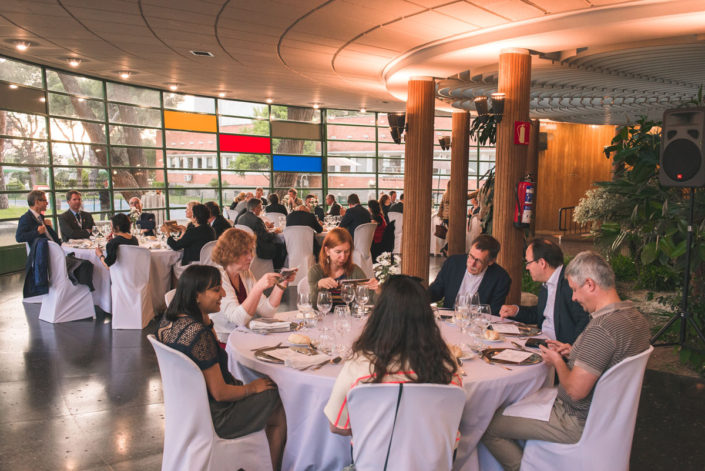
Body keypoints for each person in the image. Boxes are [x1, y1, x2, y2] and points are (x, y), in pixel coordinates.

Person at [481, 251, 651, 471]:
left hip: (574, 420)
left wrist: (557, 361)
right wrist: (574, 352)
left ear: (589, 284)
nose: (573, 298)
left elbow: (574, 391)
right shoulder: (635, 318)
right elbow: (611, 358)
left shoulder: (602, 328)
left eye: (574, 289)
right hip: (609, 418)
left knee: (489, 426)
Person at [157, 264, 286, 469]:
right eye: (216, 289)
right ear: (196, 295)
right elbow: (220, 393)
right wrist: (251, 388)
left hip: (188, 411)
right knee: (276, 399)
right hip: (217, 416)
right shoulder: (199, 335)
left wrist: (207, 318)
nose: (224, 293)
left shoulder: (169, 322)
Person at [324, 275, 462, 435]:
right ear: (426, 317)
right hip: (437, 459)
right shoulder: (446, 361)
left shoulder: (361, 364)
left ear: (380, 315)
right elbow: (455, 417)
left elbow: (337, 426)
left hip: (378, 459)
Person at [499, 239, 590, 344]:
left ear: (542, 263)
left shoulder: (570, 283)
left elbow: (584, 321)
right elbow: (541, 313)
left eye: (528, 262)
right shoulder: (547, 282)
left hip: (560, 352)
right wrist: (516, 310)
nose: (527, 267)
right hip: (542, 343)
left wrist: (570, 351)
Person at [210, 228, 294, 333]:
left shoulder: (244, 272)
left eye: (250, 251)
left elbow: (267, 312)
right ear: (231, 253)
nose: (251, 257)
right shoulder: (218, 276)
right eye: (245, 253)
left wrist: (281, 284)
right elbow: (238, 319)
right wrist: (258, 288)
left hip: (244, 333)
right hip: (226, 339)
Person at [428, 234, 511, 314]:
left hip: (477, 324)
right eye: (471, 256)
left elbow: (493, 313)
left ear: (491, 261)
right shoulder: (453, 263)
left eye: (478, 261)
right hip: (449, 321)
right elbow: (436, 291)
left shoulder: (501, 279)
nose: (472, 264)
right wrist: (418, 296)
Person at [308, 228, 377, 309]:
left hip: (349, 319)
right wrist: (318, 286)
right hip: (323, 319)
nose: (343, 257)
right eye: (338, 252)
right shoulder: (315, 272)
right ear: (327, 251)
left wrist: (377, 290)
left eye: (346, 251)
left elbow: (369, 303)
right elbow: (313, 306)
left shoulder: (355, 271)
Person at [238, 198, 287, 269]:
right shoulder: (257, 220)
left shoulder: (241, 218)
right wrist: (274, 232)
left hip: (246, 247)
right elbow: (266, 237)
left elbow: (256, 230)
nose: (261, 209)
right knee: (281, 245)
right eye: (260, 207)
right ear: (256, 208)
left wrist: (265, 227)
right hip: (260, 249)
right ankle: (278, 269)